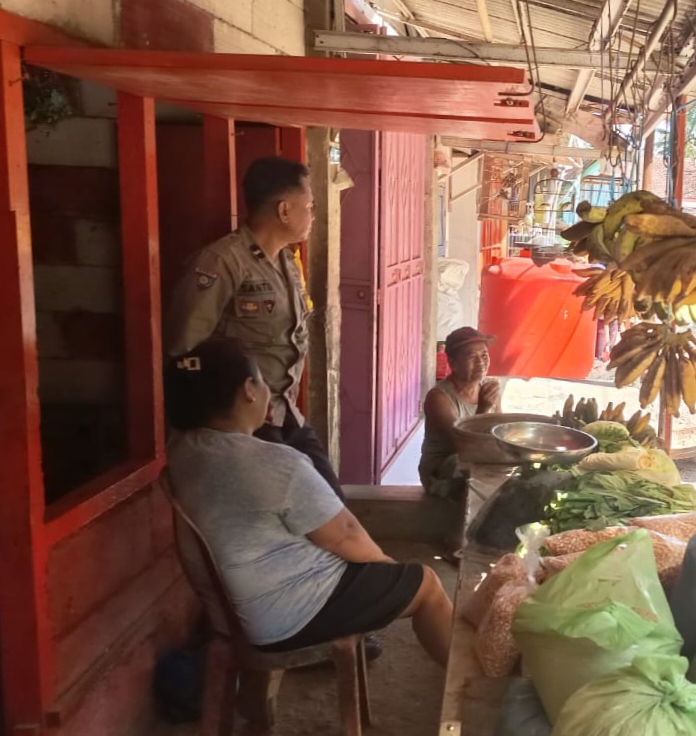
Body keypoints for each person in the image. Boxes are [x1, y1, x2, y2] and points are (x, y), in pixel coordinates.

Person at [164, 338, 453, 670]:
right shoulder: (275, 462)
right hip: (288, 616)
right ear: (249, 391)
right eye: (262, 380)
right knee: (426, 584)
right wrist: (387, 570)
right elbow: (345, 535)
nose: (268, 389)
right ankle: (465, 686)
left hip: (233, 615)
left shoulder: (183, 452)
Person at [165, 156, 341, 500]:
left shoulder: (287, 262)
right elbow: (183, 350)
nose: (313, 215)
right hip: (242, 425)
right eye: (309, 206)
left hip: (283, 412)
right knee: (295, 512)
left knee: (331, 501)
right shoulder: (222, 262)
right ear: (284, 211)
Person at [419, 327, 501, 498]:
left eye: (484, 355)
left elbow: (501, 433)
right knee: (466, 465)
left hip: (478, 459)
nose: (481, 362)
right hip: (441, 472)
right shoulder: (439, 397)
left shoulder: (488, 389)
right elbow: (464, 446)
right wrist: (483, 409)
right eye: (472, 357)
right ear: (453, 363)